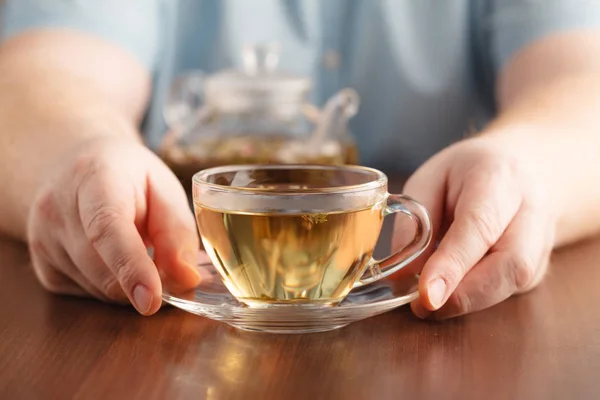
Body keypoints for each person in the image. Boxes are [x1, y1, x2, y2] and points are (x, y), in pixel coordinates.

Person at [1, 0, 599, 320]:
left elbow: (583, 77)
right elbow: (40, 75)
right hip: (167, 300)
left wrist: (522, 166)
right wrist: (81, 152)